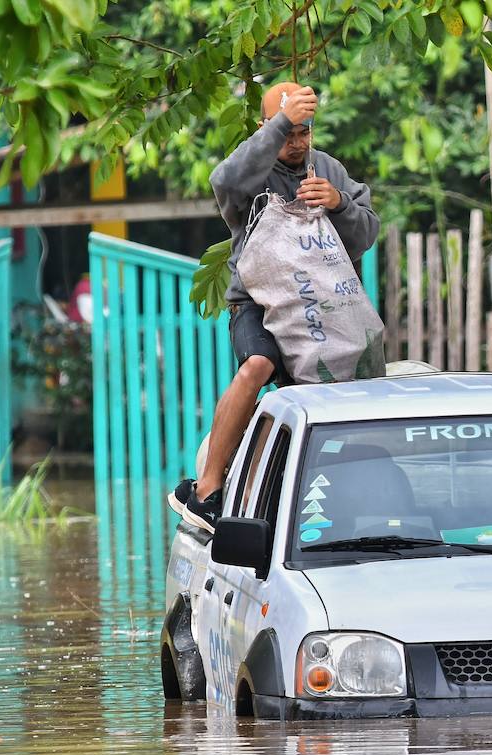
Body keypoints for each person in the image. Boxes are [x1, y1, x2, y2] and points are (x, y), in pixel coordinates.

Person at [168, 81, 380, 531]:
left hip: (322, 310)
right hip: (257, 305)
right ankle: (205, 490)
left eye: (304, 132)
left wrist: (339, 204)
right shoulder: (251, 169)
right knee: (259, 365)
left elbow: (365, 235)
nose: (297, 142)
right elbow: (222, 182)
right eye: (287, 132)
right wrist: (281, 122)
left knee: (349, 382)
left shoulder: (328, 170)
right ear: (266, 127)